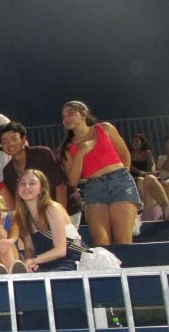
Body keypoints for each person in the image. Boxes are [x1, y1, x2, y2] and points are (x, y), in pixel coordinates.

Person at [60, 100, 140, 245]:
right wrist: (81, 152)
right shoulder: (68, 147)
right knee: (101, 242)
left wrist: (123, 176)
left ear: (83, 113)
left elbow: (124, 154)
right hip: (94, 187)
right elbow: (72, 181)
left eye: (70, 113)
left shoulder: (104, 128)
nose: (66, 119)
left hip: (120, 182)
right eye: (63, 116)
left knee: (123, 240)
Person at [0, 121, 76, 222]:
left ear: (23, 139)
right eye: (5, 141)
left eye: (14, 139)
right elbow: (18, 200)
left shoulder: (42, 154)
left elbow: (61, 186)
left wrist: (61, 218)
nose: (10, 144)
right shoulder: (8, 171)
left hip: (66, 210)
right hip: (40, 219)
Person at [15, 169, 83, 271]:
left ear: (42, 188)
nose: (26, 187)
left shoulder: (51, 208)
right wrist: (27, 262)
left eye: (32, 183)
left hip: (70, 259)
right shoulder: (22, 215)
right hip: (44, 260)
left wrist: (34, 260)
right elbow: (29, 248)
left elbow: (61, 250)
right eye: (22, 183)